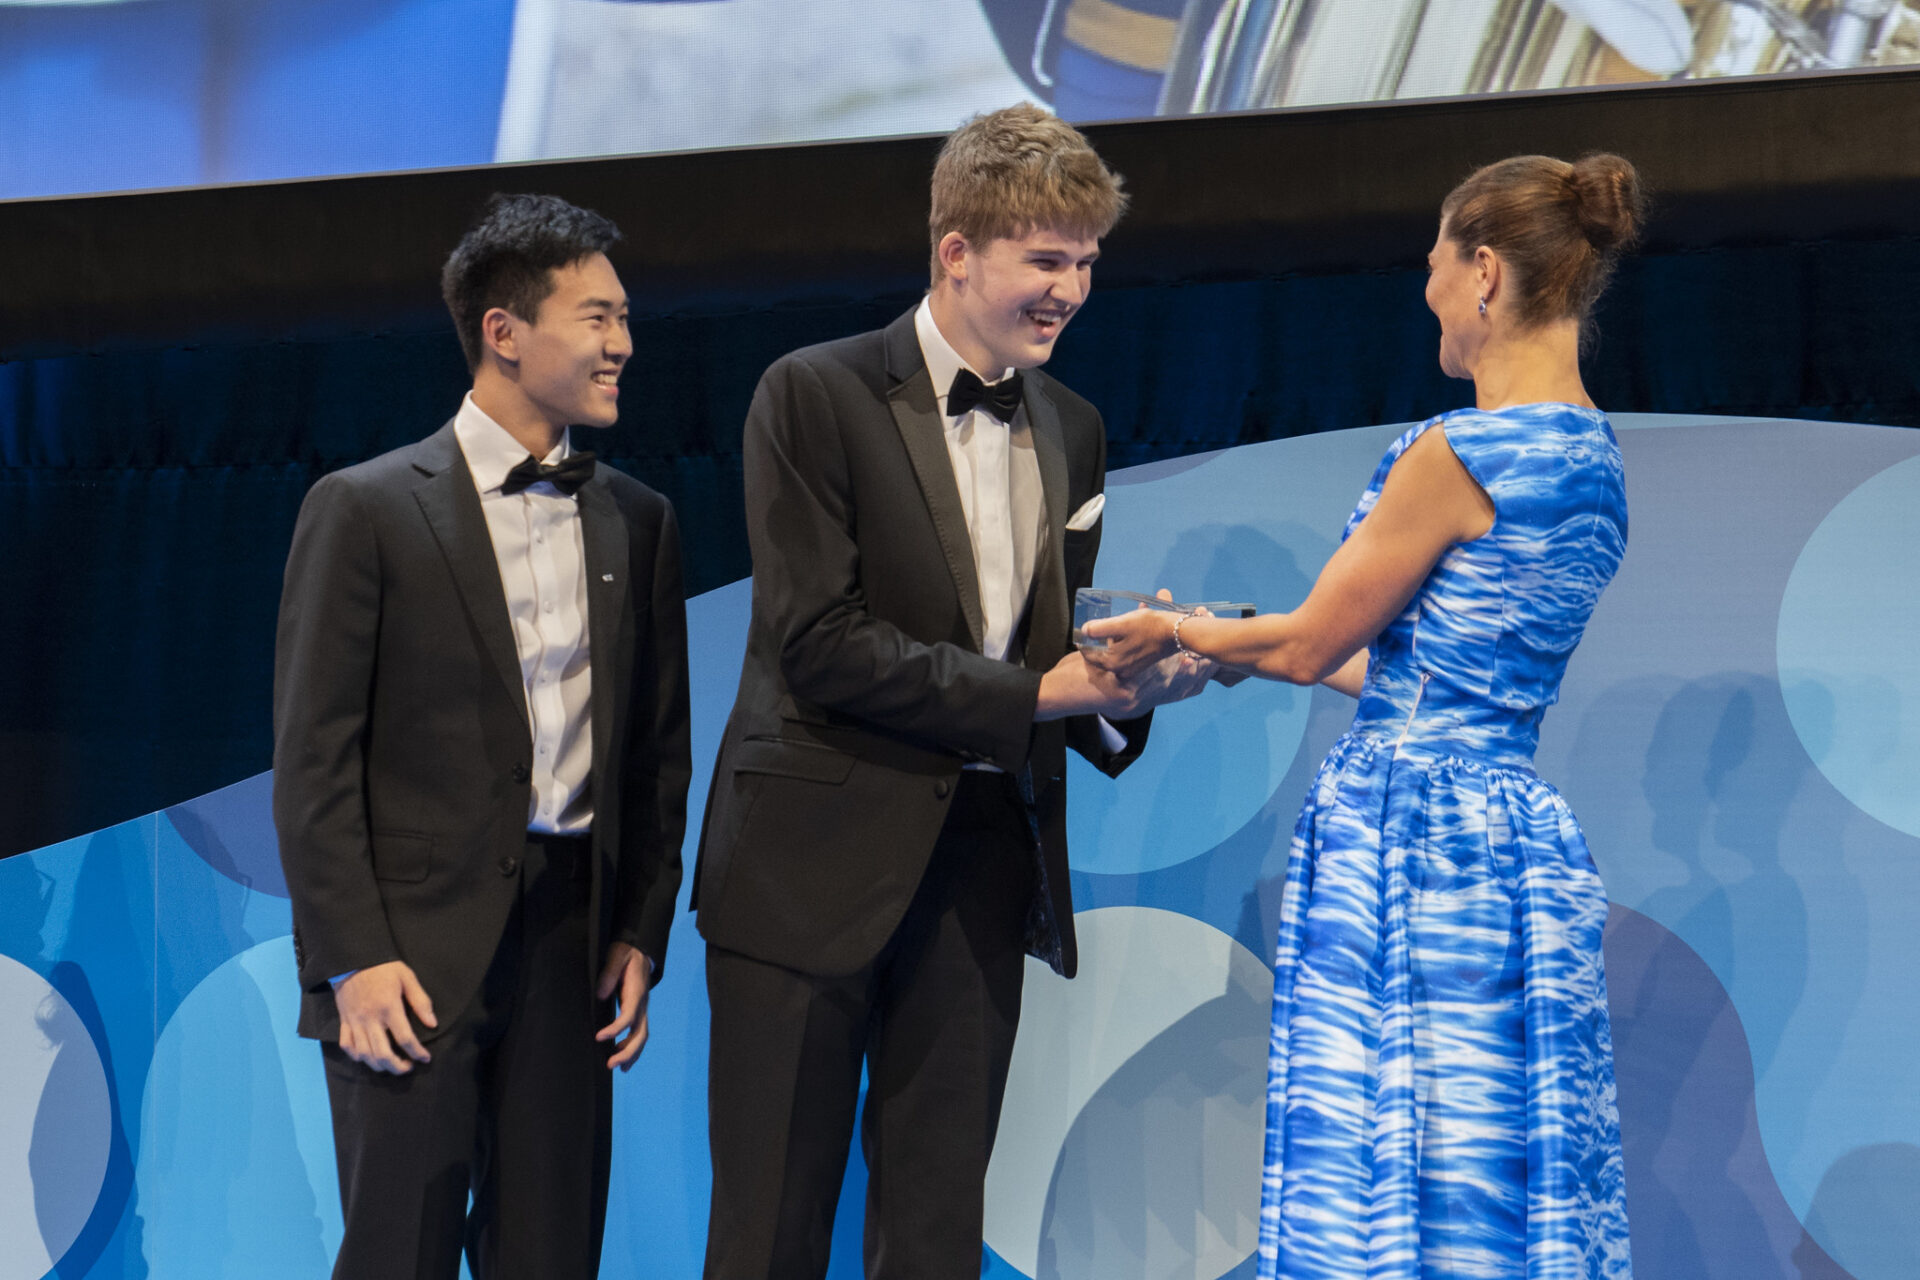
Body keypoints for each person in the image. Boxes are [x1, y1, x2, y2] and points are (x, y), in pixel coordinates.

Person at [1086, 152, 1643, 1278]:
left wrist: (1187, 632)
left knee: (1386, 1137)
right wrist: (1244, 642)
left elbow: (1310, 643)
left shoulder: (1461, 452)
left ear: (1485, 271)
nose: (1428, 290)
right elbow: (1416, 676)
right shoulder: (1593, 456)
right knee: (1487, 1139)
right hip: (1512, 840)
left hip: (1409, 834)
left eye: (1435, 264)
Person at [691, 103, 1208, 1279]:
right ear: (956, 252)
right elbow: (817, 640)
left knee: (934, 1236)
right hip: (803, 861)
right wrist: (1042, 692)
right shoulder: (812, 392)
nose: (1070, 290)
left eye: (1085, 263)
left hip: (980, 862)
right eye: (1045, 259)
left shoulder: (1073, 423)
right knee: (769, 1231)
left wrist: (1131, 685)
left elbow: (1049, 654)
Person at [272, 193, 691, 1280]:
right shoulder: (363, 507)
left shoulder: (636, 519)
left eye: (625, 318)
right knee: (397, 1253)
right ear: (503, 331)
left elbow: (655, 749)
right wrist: (353, 959)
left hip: (571, 945)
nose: (623, 345)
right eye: (597, 317)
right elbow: (314, 762)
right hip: (407, 955)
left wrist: (640, 929)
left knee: (550, 1255)